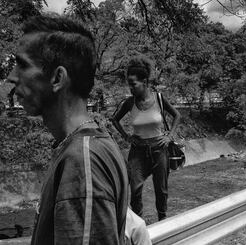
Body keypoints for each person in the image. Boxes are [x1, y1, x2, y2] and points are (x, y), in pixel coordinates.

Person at [7, 16, 129, 245]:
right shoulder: (90, 145)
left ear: (57, 78)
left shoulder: (82, 161)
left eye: (22, 64)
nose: (11, 76)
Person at [111, 55, 181, 221]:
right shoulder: (129, 103)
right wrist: (126, 137)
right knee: (135, 189)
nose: (131, 88)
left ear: (144, 82)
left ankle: (162, 221)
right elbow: (114, 119)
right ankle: (138, 225)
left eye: (133, 84)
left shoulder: (159, 98)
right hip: (138, 151)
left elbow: (177, 115)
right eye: (129, 84)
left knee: (161, 189)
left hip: (159, 149)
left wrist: (170, 136)